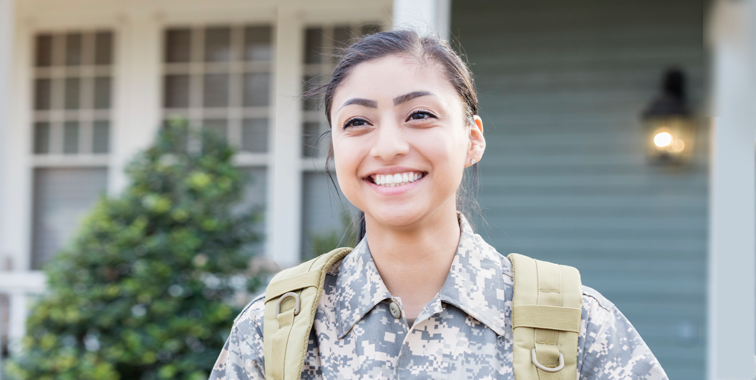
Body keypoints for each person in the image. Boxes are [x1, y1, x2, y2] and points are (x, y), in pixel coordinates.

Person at [209, 30, 668, 379]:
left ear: (473, 139)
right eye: (357, 122)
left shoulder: (577, 325)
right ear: (335, 149)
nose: (387, 146)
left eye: (420, 115)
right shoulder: (276, 331)